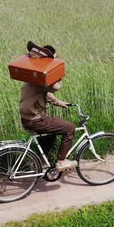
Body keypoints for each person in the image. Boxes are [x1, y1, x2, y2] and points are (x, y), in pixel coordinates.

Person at [19, 43, 78, 172]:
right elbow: (55, 87)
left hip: (27, 118)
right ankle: (61, 162)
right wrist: (57, 69)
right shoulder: (39, 76)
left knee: (51, 134)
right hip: (35, 119)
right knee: (70, 128)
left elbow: (44, 92)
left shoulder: (33, 75)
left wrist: (58, 102)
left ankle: (40, 162)